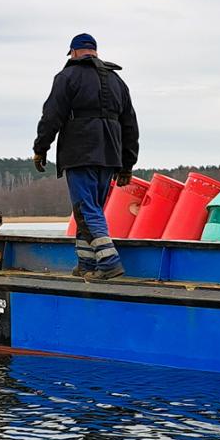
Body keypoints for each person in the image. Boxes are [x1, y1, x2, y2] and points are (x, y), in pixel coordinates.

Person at [32, 33, 138, 279]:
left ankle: (109, 262)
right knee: (90, 210)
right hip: (110, 154)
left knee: (86, 208)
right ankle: (86, 264)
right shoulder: (117, 81)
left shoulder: (67, 76)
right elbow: (130, 125)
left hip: (80, 152)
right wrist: (127, 164)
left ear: (75, 52)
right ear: (95, 52)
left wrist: (41, 148)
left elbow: (51, 116)